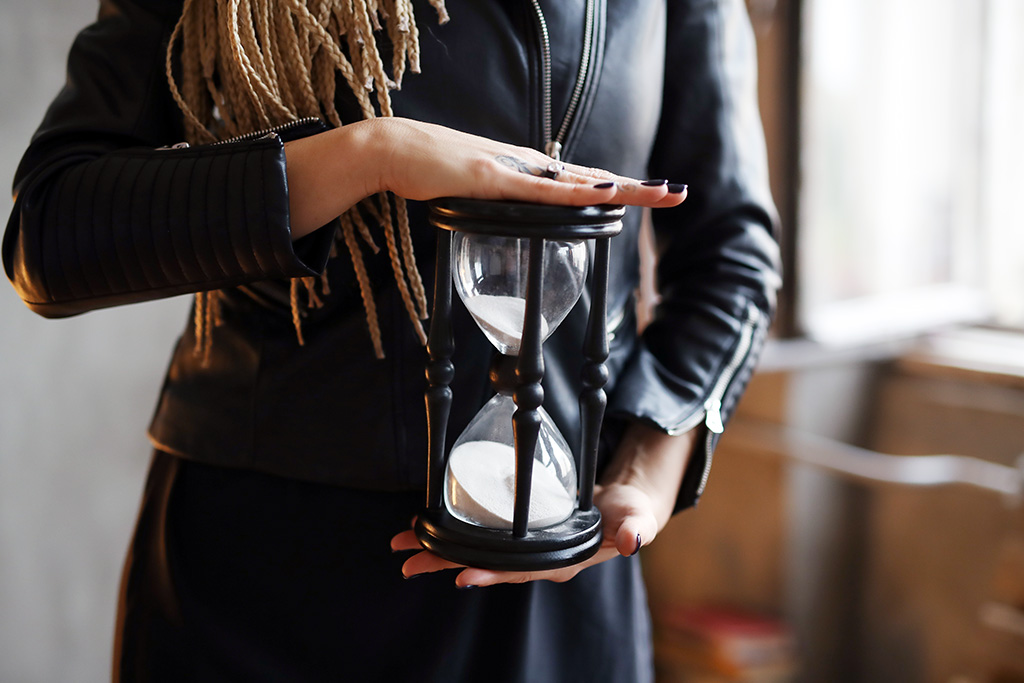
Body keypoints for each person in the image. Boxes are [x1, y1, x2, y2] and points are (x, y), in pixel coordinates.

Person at [4, 0, 781, 680]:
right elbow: (53, 232)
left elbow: (732, 256)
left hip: (556, 557)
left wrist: (647, 468)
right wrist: (366, 155)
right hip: (263, 571)